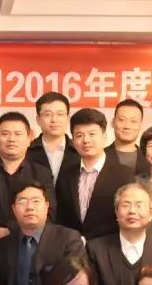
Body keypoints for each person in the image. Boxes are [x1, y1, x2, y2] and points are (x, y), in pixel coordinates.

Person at [0, 181, 85, 285]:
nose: (29, 207)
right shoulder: (3, 245)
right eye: (22, 201)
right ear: (14, 209)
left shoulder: (68, 239)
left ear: (47, 206)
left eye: (36, 201)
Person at [0, 112, 55, 244]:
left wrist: (12, 231)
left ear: (29, 138)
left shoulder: (42, 173)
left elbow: (49, 213)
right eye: (5, 134)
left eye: (18, 134)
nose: (11, 139)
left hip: (29, 244)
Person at [56, 108, 136, 240]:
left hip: (108, 247)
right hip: (71, 248)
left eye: (92, 134)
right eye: (79, 135)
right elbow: (61, 218)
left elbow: (127, 218)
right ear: (73, 140)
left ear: (104, 137)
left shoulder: (124, 175)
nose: (86, 140)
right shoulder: (66, 175)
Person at [27, 92, 79, 184]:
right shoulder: (26, 151)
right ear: (38, 120)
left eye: (60, 114)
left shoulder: (79, 150)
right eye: (47, 114)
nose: (54, 120)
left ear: (68, 118)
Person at [105, 99, 144, 172]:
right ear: (113, 122)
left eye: (133, 121)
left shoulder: (150, 159)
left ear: (140, 125)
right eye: (121, 120)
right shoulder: (98, 157)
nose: (127, 126)